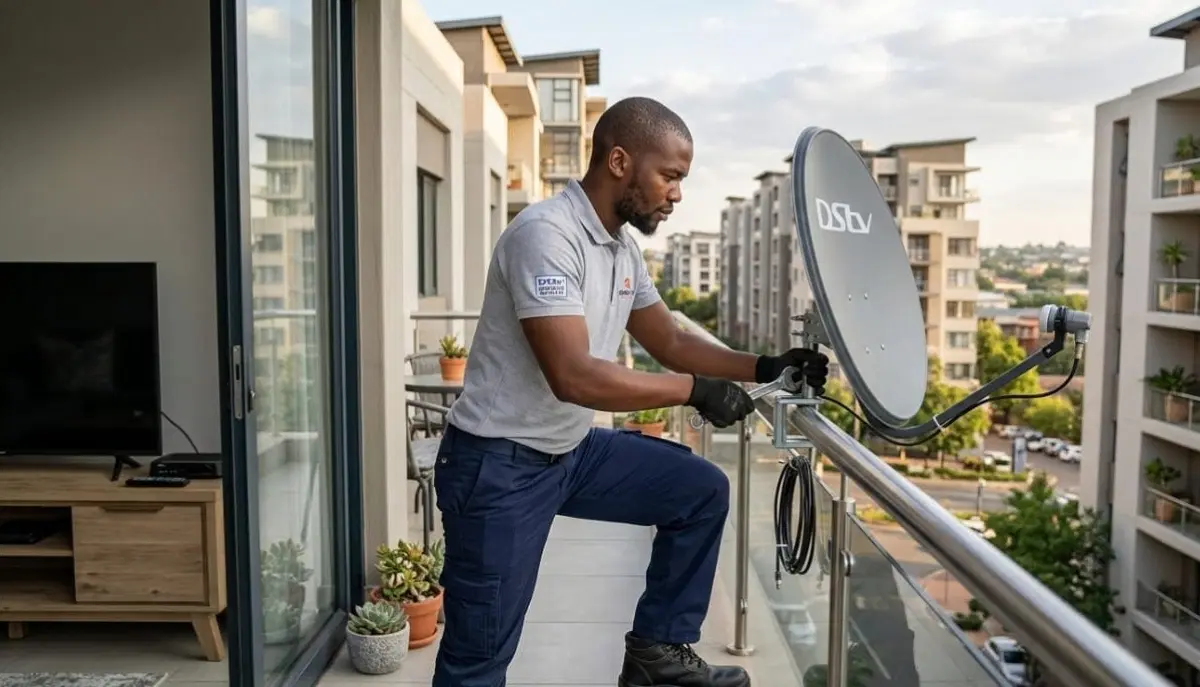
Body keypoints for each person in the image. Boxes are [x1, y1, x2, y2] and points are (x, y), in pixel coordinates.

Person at [431, 96, 828, 687]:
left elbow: (667, 337)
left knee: (698, 491)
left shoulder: (620, 247)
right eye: (669, 175)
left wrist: (764, 364)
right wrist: (694, 391)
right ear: (619, 160)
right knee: (478, 659)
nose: (676, 193)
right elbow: (575, 374)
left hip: (569, 451)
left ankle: (657, 654)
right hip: (499, 465)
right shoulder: (545, 235)